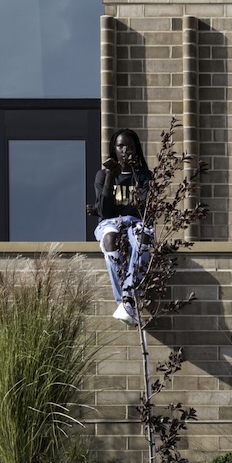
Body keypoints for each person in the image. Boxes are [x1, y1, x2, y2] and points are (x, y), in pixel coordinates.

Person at [92, 129, 155, 326]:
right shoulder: (103, 176)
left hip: (136, 223)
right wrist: (111, 176)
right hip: (111, 223)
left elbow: (144, 210)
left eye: (129, 146)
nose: (125, 150)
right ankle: (126, 302)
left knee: (143, 239)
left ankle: (127, 301)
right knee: (110, 239)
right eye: (121, 146)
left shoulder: (145, 176)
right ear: (114, 149)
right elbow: (104, 211)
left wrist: (135, 174)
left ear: (136, 150)